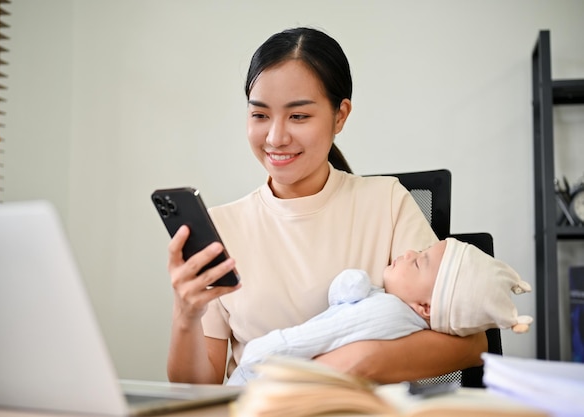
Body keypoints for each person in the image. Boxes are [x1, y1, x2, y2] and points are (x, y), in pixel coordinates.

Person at [166, 27, 487, 385]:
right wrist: (186, 314)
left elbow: (471, 344)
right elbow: (197, 390)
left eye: (298, 116)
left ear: (340, 116)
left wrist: (349, 364)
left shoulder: (387, 202)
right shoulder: (222, 227)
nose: (275, 137)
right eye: (260, 115)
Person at [226, 238, 533, 385]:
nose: (410, 251)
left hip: (263, 380)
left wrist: (260, 354)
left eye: (418, 261)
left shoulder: (387, 312)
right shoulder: (395, 310)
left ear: (426, 307)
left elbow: (315, 336)